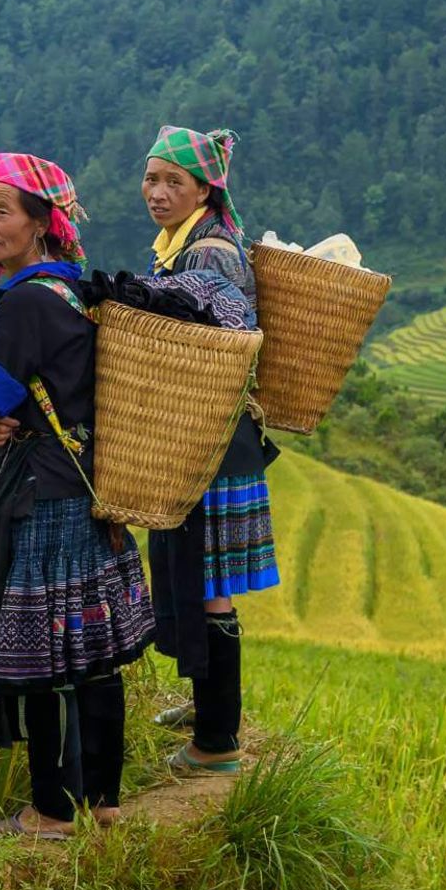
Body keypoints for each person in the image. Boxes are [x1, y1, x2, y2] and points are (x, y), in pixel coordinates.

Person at [0, 151, 155, 837]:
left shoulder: (22, 305)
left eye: (1, 211)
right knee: (93, 656)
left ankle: (48, 810)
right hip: (89, 493)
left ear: (40, 224)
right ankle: (102, 800)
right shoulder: (73, 291)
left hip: (42, 500)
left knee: (39, 659)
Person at [141, 125, 278, 773]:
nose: (158, 192)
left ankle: (216, 742)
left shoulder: (209, 255)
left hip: (215, 443)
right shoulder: (180, 246)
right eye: (151, 178)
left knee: (211, 586)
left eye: (174, 182)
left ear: (204, 190)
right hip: (204, 439)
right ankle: (206, 704)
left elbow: (217, 354)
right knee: (196, 576)